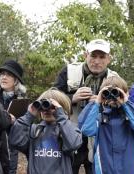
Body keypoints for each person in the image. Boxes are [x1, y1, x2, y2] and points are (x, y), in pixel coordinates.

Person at [54, 39, 118, 174]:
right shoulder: (68, 71)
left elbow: (123, 107)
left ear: (109, 59)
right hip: (69, 136)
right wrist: (72, 98)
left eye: (102, 57)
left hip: (99, 138)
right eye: (93, 56)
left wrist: (103, 103)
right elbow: (51, 98)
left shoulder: (115, 78)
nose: (97, 61)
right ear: (85, 55)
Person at [78, 76, 134, 174]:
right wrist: (96, 103)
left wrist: (126, 103)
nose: (113, 97)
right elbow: (86, 129)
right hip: (104, 169)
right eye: (107, 93)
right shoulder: (99, 117)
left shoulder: (132, 115)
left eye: (117, 93)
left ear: (126, 94)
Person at [9, 88, 82, 174]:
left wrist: (61, 116)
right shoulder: (34, 130)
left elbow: (73, 144)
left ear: (62, 109)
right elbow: (14, 141)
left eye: (51, 107)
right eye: (42, 106)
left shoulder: (69, 130)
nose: (46, 110)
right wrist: (28, 116)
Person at [0, 59, 27, 174]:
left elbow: (23, 128)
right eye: (2, 74)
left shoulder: (20, 99)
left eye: (9, 75)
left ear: (16, 80)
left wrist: (15, 121)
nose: (4, 77)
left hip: (10, 150)